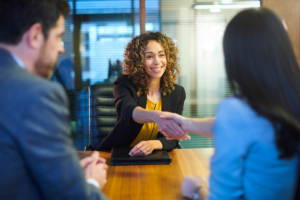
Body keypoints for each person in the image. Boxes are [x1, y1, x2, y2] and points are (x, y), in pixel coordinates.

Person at [161, 8, 300, 200]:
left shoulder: (236, 110)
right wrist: (186, 123)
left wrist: (195, 189)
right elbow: (249, 128)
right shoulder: (288, 100)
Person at [0, 0, 108, 199]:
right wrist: (91, 182)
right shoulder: (36, 94)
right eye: (59, 37)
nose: (60, 48)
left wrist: (68, 171)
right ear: (35, 36)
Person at [98, 32, 190, 156]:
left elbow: (173, 138)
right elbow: (129, 111)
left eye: (161, 55)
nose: (157, 62)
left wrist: (152, 144)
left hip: (154, 155)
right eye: (149, 57)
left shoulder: (177, 92)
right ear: (139, 61)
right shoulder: (124, 83)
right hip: (121, 153)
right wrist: (156, 116)